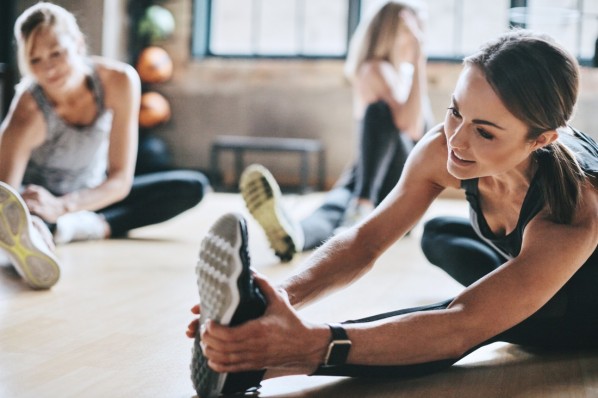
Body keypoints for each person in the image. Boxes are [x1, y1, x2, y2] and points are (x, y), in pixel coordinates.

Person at [187, 29, 598, 397]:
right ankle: (264, 338)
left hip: (584, 316)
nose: (456, 139)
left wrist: (308, 342)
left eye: (484, 131)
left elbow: (462, 322)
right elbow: (366, 241)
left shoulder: (575, 207)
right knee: (438, 235)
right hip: (533, 265)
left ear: (540, 139)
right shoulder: (445, 147)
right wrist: (272, 300)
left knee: (474, 317)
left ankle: (260, 364)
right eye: (455, 111)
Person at [0, 2, 209, 289]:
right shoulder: (27, 111)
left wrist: (63, 207)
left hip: (89, 196)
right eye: (35, 61)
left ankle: (71, 229)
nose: (48, 69)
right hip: (40, 204)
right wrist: (26, 218)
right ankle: (51, 230)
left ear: (79, 43)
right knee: (20, 223)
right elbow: (4, 197)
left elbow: (120, 180)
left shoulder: (120, 81)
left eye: (56, 53)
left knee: (192, 186)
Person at [240, 0, 433, 262]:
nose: (419, 37)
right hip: (370, 181)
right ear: (391, 33)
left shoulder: (405, 78)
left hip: (398, 192)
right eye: (413, 30)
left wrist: (419, 60)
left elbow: (413, 133)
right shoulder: (374, 69)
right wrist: (420, 58)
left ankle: (362, 204)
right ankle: (294, 234)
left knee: (350, 199)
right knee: (334, 207)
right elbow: (407, 128)